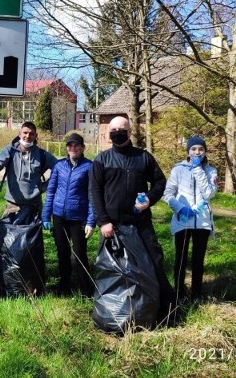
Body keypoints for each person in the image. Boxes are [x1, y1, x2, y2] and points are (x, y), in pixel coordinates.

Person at [89, 115, 176, 322]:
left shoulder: (143, 158)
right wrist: (103, 221)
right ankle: (112, 314)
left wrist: (149, 199)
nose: (117, 133)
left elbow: (160, 183)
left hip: (140, 224)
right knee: (112, 269)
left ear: (130, 132)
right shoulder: (102, 160)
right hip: (112, 226)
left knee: (154, 262)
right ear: (109, 134)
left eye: (122, 129)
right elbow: (94, 193)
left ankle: (166, 310)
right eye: (113, 130)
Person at [163, 135, 218, 303]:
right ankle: (178, 294)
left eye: (201, 149)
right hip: (183, 220)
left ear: (205, 151)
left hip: (202, 221)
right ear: (188, 151)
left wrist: (198, 170)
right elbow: (168, 193)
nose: (197, 152)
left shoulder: (211, 171)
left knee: (198, 259)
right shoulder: (178, 169)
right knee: (181, 258)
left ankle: (196, 294)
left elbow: (210, 193)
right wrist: (180, 208)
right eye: (193, 149)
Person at [41, 133, 96, 297]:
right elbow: (51, 191)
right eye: (70, 146)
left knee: (79, 254)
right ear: (67, 148)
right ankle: (64, 284)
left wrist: (91, 221)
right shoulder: (59, 166)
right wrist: (46, 216)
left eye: (77, 145)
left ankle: (85, 288)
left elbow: (93, 195)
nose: (73, 148)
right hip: (59, 217)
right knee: (62, 252)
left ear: (83, 148)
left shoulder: (89, 167)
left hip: (78, 217)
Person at [0, 121, 57, 222]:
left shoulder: (42, 155)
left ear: (36, 136)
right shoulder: (10, 151)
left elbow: (60, 170)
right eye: (25, 133)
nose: (28, 136)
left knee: (31, 237)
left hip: (34, 206)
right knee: (9, 237)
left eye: (31, 134)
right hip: (13, 205)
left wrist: (45, 186)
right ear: (19, 134)